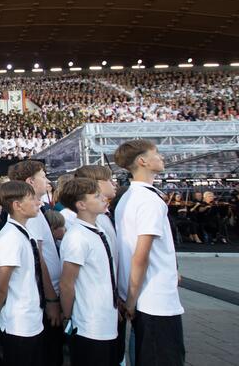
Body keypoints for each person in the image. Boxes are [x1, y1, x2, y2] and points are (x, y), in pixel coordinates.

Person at [113, 140, 185, 366]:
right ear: (142, 161)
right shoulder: (148, 201)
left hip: (145, 296)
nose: (161, 158)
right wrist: (132, 299)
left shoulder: (129, 197)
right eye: (156, 154)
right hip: (154, 299)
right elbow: (140, 255)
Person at [58, 178, 119, 366]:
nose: (103, 198)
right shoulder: (77, 237)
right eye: (96, 196)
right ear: (81, 204)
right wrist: (67, 316)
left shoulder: (98, 229)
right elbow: (67, 283)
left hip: (107, 318)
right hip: (89, 323)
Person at [8, 160, 63, 365]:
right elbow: (38, 259)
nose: (47, 181)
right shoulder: (29, 214)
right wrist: (51, 300)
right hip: (43, 298)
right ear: (31, 181)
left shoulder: (35, 211)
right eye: (43, 176)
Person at [0, 180, 44, 365]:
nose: (39, 202)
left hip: (31, 318)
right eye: (32, 199)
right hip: (18, 323)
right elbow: (0, 287)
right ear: (17, 205)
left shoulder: (23, 232)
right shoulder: (11, 238)